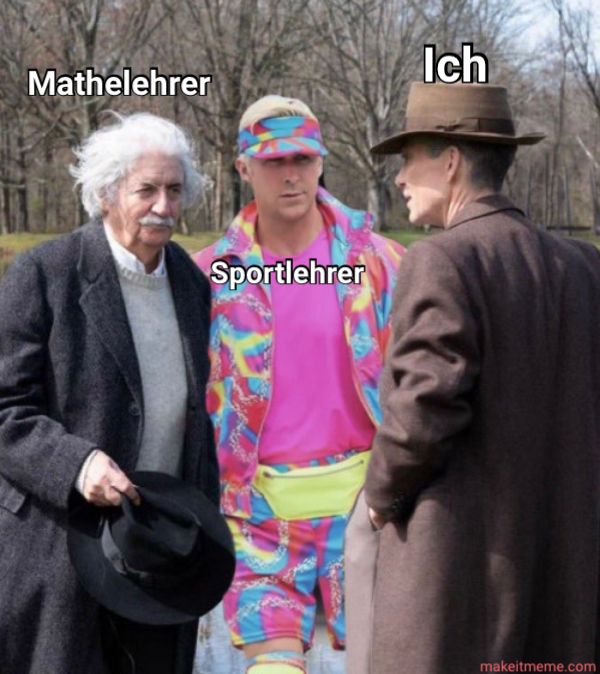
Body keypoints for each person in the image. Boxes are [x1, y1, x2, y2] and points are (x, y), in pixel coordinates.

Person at [346, 81, 600, 674]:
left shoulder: (443, 259)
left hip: (458, 592)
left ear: (451, 161)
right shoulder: (585, 267)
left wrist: (379, 501)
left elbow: (422, 411)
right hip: (563, 590)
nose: (399, 178)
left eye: (409, 158)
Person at [0, 112, 218, 674]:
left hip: (157, 549)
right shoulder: (45, 274)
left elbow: (195, 414)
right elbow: (6, 409)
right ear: (105, 194)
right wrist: (76, 465)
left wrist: (205, 536)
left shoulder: (190, 282)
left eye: (175, 190)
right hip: (59, 548)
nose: (164, 206)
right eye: (147, 190)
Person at [194, 94, 403, 674]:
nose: (291, 174)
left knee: (378, 662)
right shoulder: (208, 277)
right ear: (243, 167)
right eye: (274, 161)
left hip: (367, 513)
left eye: (303, 159)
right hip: (256, 521)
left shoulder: (381, 265)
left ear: (320, 161)